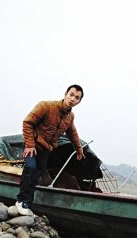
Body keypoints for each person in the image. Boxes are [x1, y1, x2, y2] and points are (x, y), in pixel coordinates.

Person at [15, 84, 85, 215]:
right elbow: (27, 122)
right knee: (30, 167)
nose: (73, 99)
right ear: (65, 93)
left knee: (37, 175)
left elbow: (72, 133)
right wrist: (29, 144)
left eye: (77, 98)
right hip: (33, 145)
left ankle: (27, 204)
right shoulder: (46, 106)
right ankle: (21, 200)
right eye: (71, 94)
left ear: (79, 101)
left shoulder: (70, 116)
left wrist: (79, 149)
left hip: (46, 149)